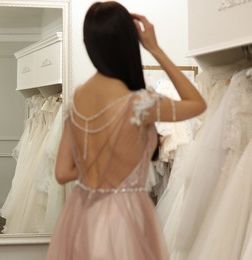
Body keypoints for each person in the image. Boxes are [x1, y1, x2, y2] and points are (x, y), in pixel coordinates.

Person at [46, 2, 206, 260]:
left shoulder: (77, 100)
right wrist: (155, 48)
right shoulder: (139, 103)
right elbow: (197, 104)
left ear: (89, 44)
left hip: (81, 215)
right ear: (129, 43)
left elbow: (63, 173)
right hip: (125, 215)